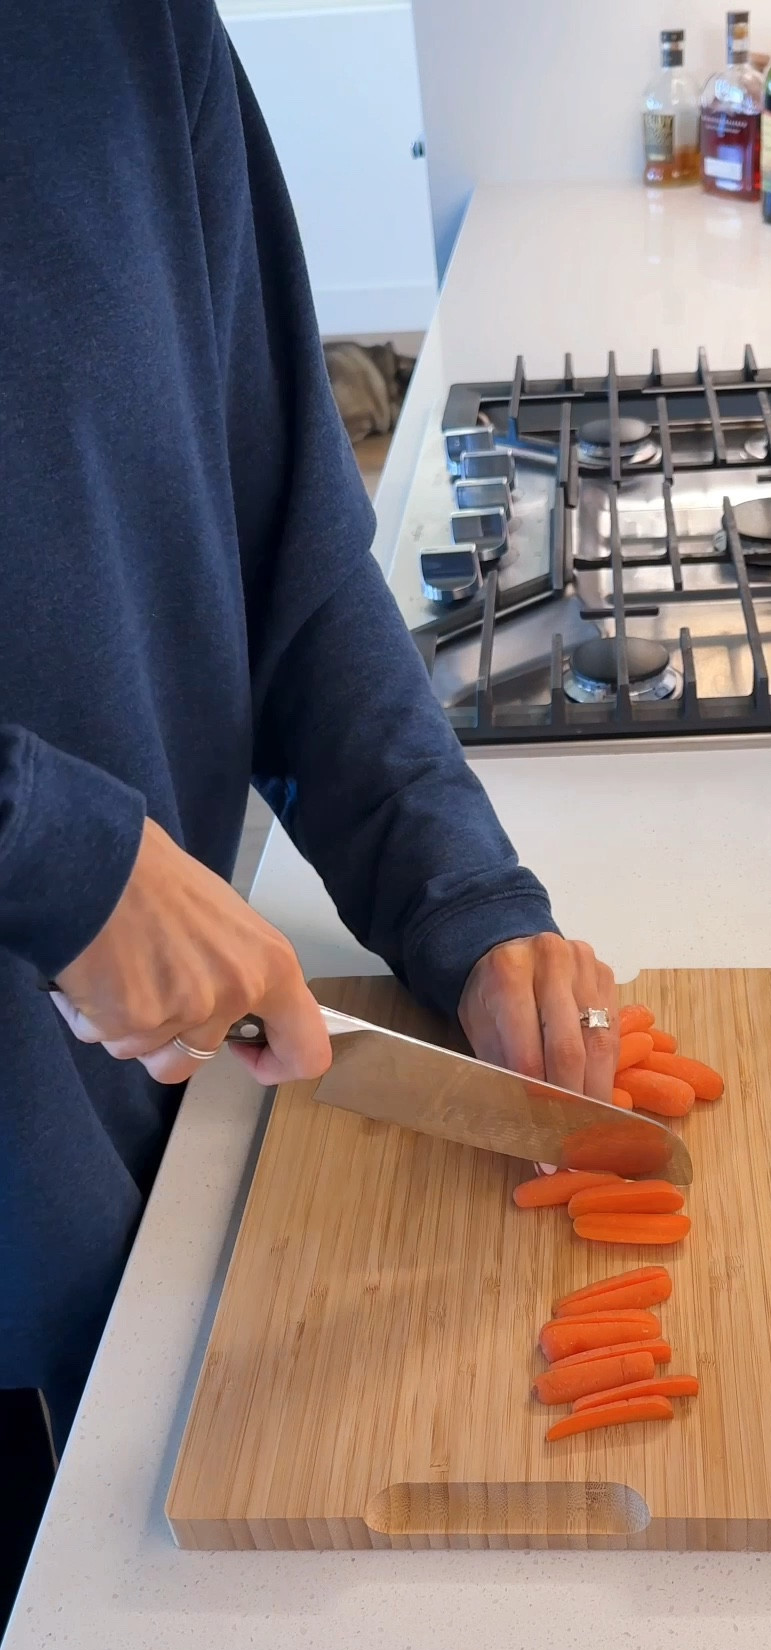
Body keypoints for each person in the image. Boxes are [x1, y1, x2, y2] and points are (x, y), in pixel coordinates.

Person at [0, 0, 617, 1548]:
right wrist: (47, 848)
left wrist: (460, 897)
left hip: (149, 1158)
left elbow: (290, 557)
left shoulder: (128, 34)